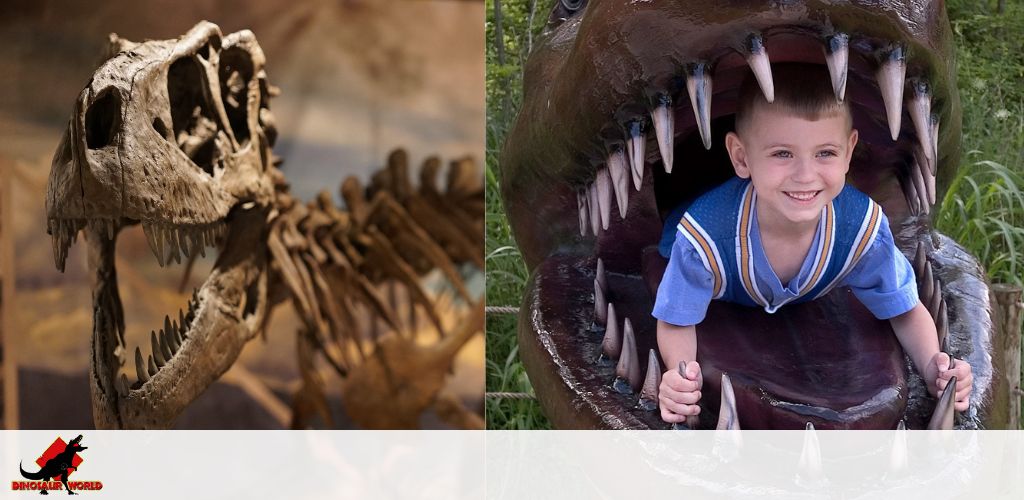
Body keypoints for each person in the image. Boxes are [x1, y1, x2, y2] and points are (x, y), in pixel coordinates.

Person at [652, 63, 973, 426]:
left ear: (849, 151)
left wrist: (934, 364)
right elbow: (677, 318)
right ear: (742, 158)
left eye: (825, 153)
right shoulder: (703, 239)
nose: (805, 175)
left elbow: (904, 307)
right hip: (711, 258)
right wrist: (678, 376)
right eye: (782, 154)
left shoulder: (861, 229)